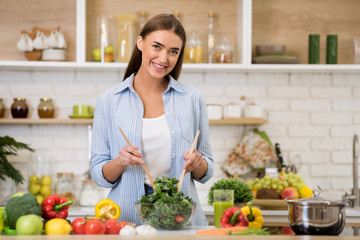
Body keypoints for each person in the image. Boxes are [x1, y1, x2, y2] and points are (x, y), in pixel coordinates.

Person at [90, 13, 213, 226]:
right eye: (157, 46)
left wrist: (198, 163)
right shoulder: (109, 100)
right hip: (126, 222)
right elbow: (99, 175)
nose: (164, 59)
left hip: (180, 221)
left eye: (173, 51)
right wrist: (120, 161)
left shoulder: (192, 99)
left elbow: (206, 171)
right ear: (140, 42)